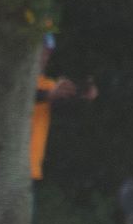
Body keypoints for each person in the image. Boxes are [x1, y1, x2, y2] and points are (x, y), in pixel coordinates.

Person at [31, 33, 97, 184]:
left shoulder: (47, 84)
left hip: (30, 167)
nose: (44, 58)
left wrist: (82, 96)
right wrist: (48, 95)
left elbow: (64, 106)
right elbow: (26, 96)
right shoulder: (14, 82)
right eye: (41, 52)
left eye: (47, 53)